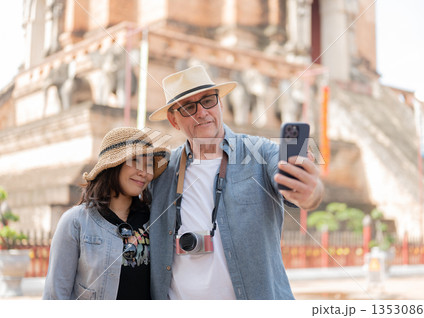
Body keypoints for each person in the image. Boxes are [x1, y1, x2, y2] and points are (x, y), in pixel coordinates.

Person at [147, 65, 324, 300]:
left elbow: (301, 189)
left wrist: (310, 192)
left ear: (220, 104)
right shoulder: (160, 173)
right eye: (188, 108)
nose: (201, 113)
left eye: (208, 101)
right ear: (173, 120)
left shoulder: (262, 152)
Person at [43, 127, 170, 300]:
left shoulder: (154, 220)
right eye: (136, 161)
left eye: (149, 165)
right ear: (113, 165)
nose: (145, 173)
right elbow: (55, 296)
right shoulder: (75, 222)